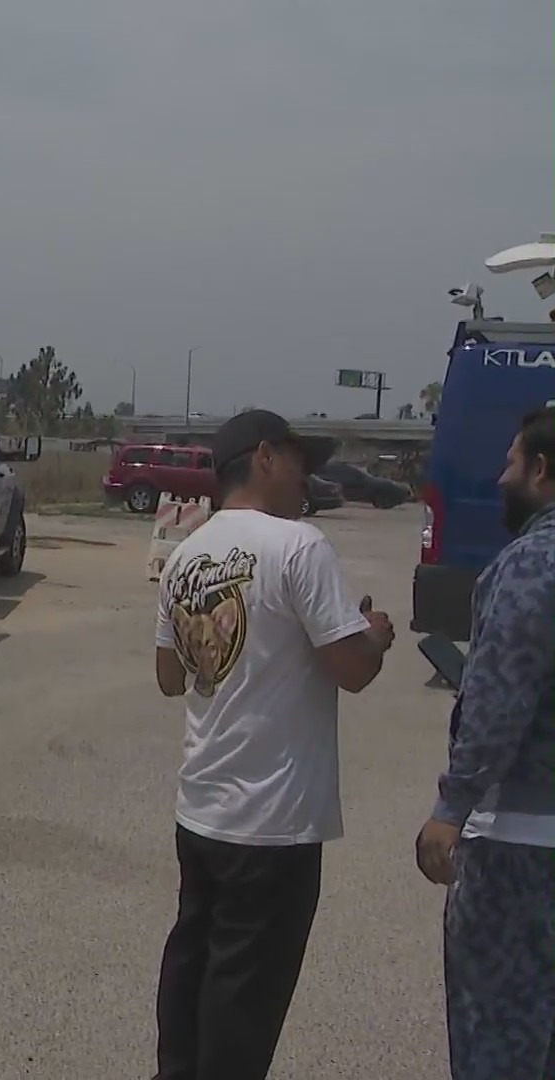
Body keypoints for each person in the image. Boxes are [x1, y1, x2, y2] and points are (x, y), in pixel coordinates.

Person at [150, 410, 395, 1080]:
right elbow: (354, 670)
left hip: (200, 809)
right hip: (273, 824)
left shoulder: (183, 554)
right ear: (263, 458)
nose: (306, 474)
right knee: (244, 1003)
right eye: (298, 459)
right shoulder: (299, 546)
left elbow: (171, 678)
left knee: (193, 962)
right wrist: (373, 631)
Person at [414, 406, 555, 1080]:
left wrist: (452, 808)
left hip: (523, 849)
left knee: (500, 1039)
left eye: (509, 463)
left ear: (540, 470)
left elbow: (501, 697)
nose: (500, 478)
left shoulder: (532, 566)